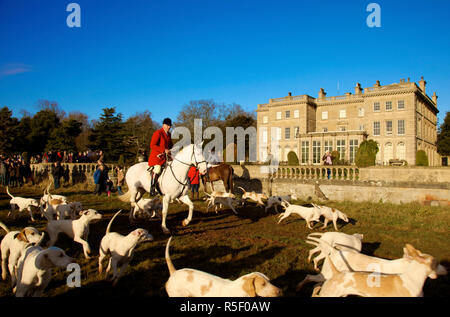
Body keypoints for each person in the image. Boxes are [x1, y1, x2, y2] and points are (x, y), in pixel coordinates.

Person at [148, 118, 173, 196]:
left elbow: (170, 145)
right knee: (158, 169)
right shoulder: (158, 133)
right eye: (168, 125)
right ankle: (152, 188)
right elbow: (152, 145)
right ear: (163, 125)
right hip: (156, 158)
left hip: (165, 158)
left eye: (170, 126)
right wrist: (164, 150)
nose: (169, 127)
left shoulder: (169, 135)